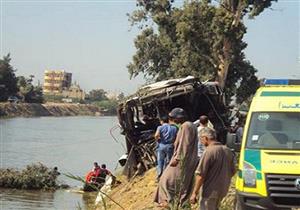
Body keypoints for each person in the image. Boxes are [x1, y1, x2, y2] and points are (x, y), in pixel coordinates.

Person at [154, 108, 199, 207]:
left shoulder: (185, 126)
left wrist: (178, 157)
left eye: (173, 118)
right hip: (189, 159)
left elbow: (184, 143)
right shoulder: (191, 125)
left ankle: (168, 202)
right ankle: (175, 202)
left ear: (178, 118)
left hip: (183, 160)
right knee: (181, 182)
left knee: (166, 180)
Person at [190, 127, 235, 210]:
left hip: (209, 191)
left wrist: (194, 193)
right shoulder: (227, 150)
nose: (201, 142)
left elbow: (200, 175)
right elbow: (233, 171)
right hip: (223, 190)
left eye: (201, 139)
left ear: (205, 138)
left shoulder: (209, 151)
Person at [154, 115, 178, 180]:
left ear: (162, 121)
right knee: (169, 160)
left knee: (160, 160)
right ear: (168, 121)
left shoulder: (160, 127)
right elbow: (177, 137)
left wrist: (158, 140)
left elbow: (156, 135)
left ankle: (160, 174)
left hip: (162, 145)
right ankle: (168, 175)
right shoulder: (174, 128)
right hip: (170, 145)